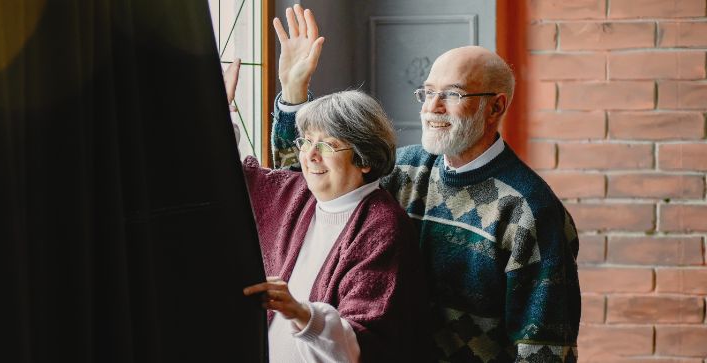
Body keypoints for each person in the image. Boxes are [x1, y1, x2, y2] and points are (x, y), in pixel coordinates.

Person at [269, 5, 581, 362]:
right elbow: (302, 191)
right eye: (428, 92)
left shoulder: (529, 210)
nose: (432, 107)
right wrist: (294, 91)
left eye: (453, 94)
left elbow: (544, 349)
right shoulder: (404, 169)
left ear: (495, 107)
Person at [223, 60, 429, 362]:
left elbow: (362, 345)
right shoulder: (295, 192)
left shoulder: (382, 227)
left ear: (364, 158)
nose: (311, 156)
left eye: (328, 145)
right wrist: (220, 113)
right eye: (306, 142)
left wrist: (301, 312)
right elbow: (227, 178)